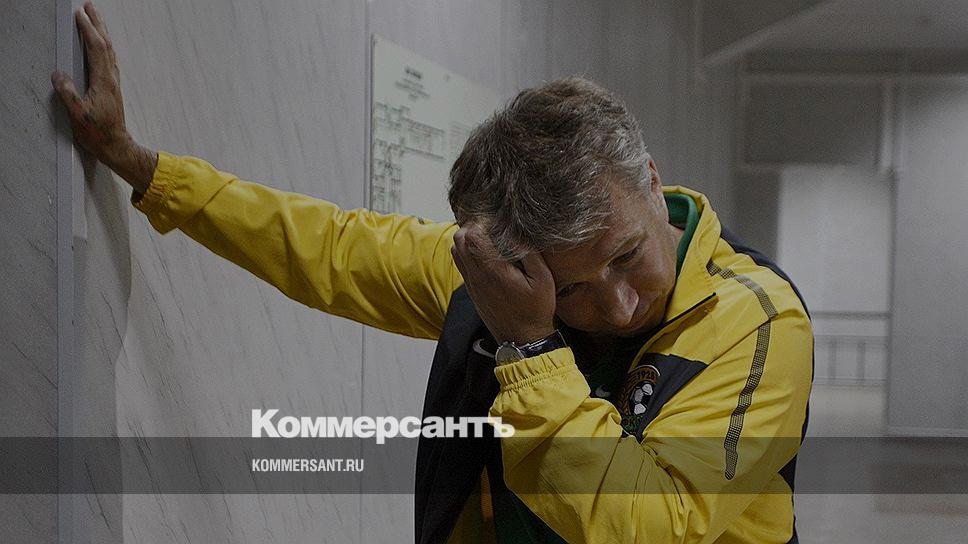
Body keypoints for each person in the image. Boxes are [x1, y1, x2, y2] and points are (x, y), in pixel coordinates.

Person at [52, 2, 813, 543]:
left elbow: (652, 528)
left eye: (626, 257)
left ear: (650, 180)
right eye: (572, 288)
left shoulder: (755, 320)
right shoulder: (502, 285)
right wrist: (140, 165)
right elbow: (328, 248)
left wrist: (534, 350)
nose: (616, 306)